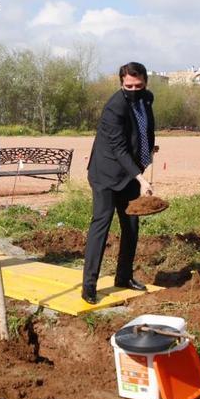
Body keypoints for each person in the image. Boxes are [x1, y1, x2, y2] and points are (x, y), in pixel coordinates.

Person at [81, 62, 156, 305]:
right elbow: (119, 149)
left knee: (131, 227)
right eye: (129, 86)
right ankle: (89, 286)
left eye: (139, 85)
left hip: (131, 173)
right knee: (101, 226)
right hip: (106, 174)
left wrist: (147, 151)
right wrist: (142, 178)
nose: (134, 90)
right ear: (121, 84)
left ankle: (123, 277)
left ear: (145, 82)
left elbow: (142, 131)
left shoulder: (147, 99)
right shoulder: (114, 107)